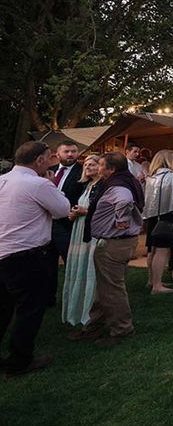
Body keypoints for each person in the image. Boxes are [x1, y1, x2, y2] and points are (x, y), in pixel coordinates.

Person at [0, 142, 71, 377]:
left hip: (3, 252)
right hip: (26, 255)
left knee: (3, 308)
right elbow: (62, 210)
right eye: (48, 158)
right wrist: (53, 186)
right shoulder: (39, 183)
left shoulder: (2, 180)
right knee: (29, 309)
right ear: (39, 160)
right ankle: (20, 361)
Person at [69, 152, 145, 346]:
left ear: (111, 169)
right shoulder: (120, 180)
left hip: (116, 243)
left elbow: (124, 201)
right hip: (115, 242)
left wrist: (120, 221)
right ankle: (95, 325)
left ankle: (122, 329)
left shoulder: (118, 185)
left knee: (112, 288)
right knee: (104, 287)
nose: (98, 167)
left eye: (101, 164)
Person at [61, 154, 100, 327]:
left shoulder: (102, 186)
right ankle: (76, 308)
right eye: (86, 165)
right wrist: (73, 213)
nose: (88, 167)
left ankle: (90, 310)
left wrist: (84, 212)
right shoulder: (86, 185)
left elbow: (101, 209)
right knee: (79, 267)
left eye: (92, 164)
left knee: (89, 266)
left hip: (91, 231)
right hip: (78, 229)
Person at [48, 140, 85, 305]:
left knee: (72, 263)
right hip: (47, 225)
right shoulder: (50, 172)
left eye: (74, 151)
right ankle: (49, 298)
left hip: (69, 224)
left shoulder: (82, 172)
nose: (70, 154)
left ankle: (74, 299)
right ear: (58, 154)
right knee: (47, 265)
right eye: (67, 151)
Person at [143, 150, 173, 294]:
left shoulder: (151, 177)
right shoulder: (171, 177)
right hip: (166, 216)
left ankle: (152, 280)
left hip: (152, 216)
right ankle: (157, 285)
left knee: (152, 249)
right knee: (162, 250)